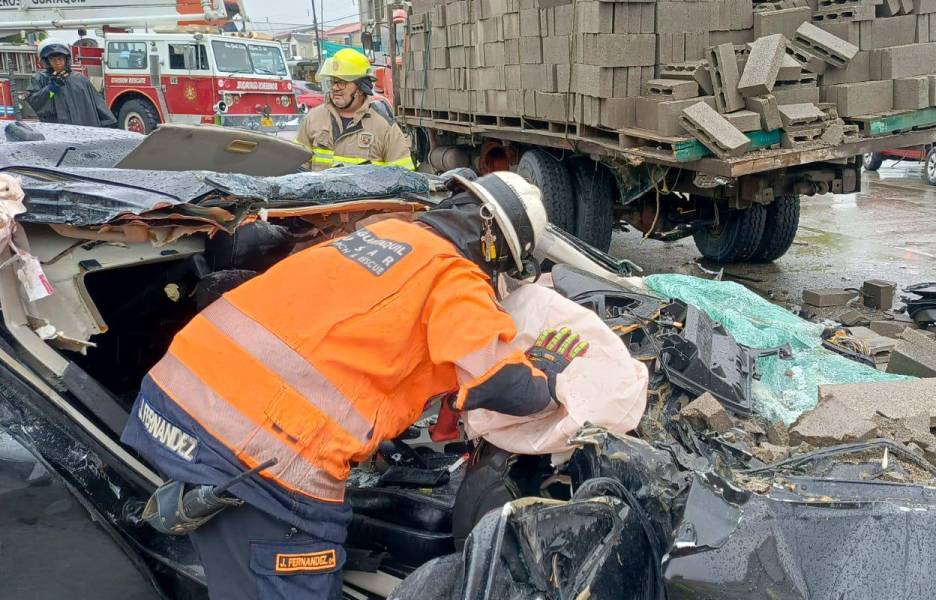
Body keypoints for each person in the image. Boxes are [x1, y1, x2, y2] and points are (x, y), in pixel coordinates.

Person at [121, 171, 584, 599]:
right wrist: (548, 369)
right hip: (257, 449)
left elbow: (346, 339)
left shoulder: (382, 235)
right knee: (298, 567)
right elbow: (506, 384)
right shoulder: (454, 277)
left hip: (176, 393)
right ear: (497, 248)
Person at [295, 48, 414, 171]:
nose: (335, 87)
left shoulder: (384, 127)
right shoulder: (314, 118)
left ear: (361, 87)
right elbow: (296, 167)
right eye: (332, 82)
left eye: (341, 82)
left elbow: (404, 177)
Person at [25, 39, 115, 128]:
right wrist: (51, 88)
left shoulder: (80, 79)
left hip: (84, 131)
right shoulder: (40, 79)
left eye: (60, 58)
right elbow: (35, 102)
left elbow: (97, 103)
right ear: (47, 61)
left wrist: (109, 123)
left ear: (66, 59)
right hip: (57, 131)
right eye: (53, 59)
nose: (57, 62)